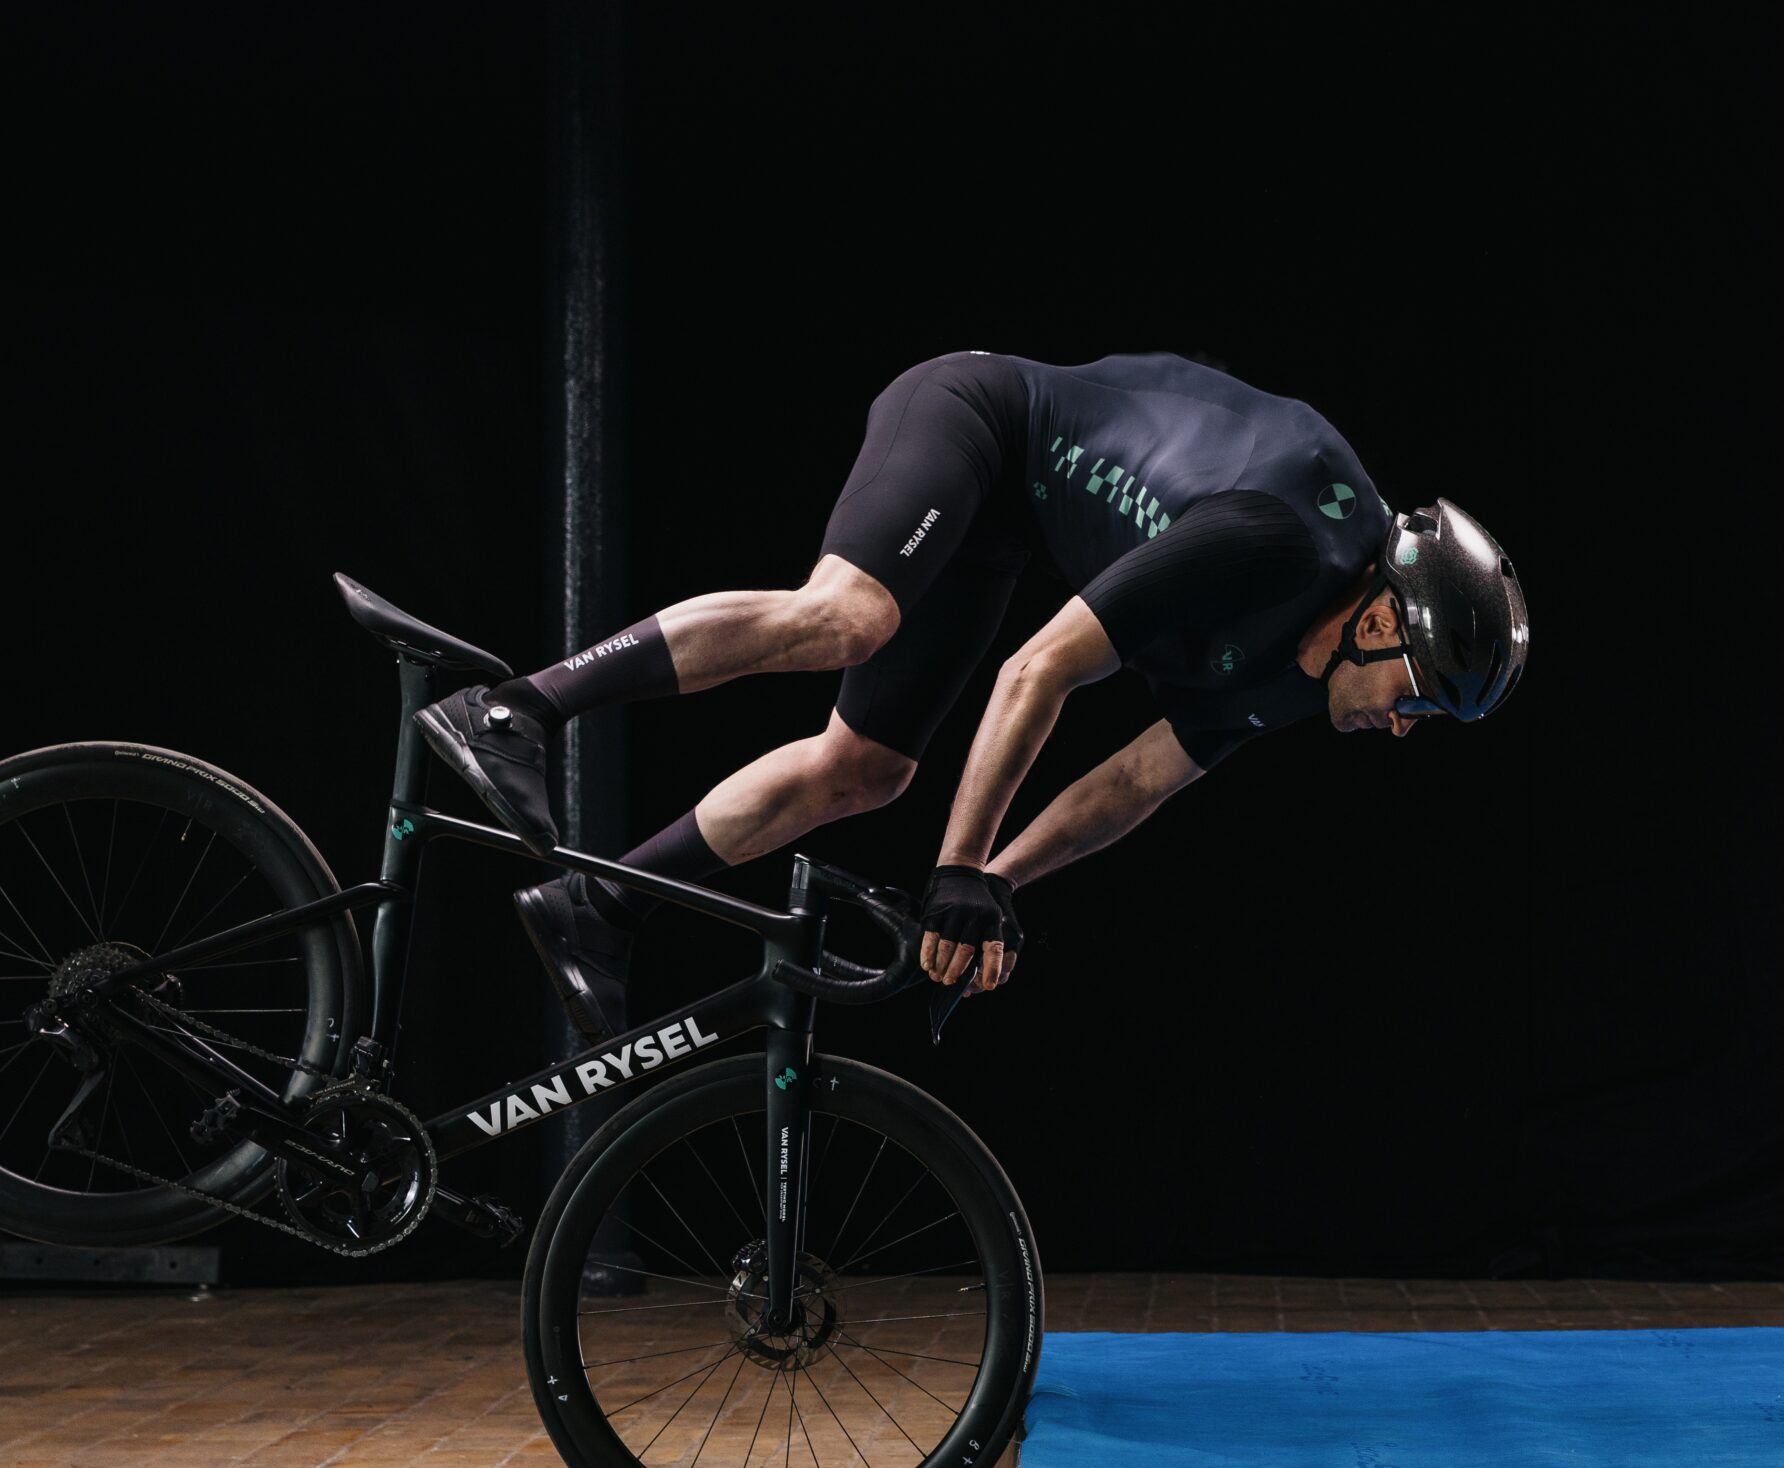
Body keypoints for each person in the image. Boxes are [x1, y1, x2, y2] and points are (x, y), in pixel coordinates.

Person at [414, 350, 1528, 1042]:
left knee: (864, 770)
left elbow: (1136, 780)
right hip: (980, 417)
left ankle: (597, 909)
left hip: (1006, 527)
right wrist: (951, 867)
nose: (1400, 726)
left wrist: (992, 883)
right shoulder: (1276, 543)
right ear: (1383, 618)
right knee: (848, 614)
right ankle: (517, 707)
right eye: (1417, 698)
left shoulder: (1308, 678)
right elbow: (1038, 669)